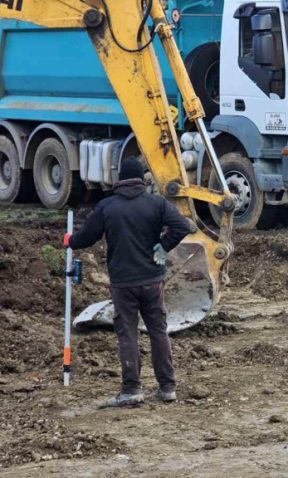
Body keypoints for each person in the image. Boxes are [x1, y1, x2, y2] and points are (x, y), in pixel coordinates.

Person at [64, 158, 191, 407]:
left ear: (119, 180)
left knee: (127, 333)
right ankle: (167, 387)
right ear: (141, 179)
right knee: (158, 331)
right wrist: (163, 246)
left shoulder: (107, 206)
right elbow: (182, 226)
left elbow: (87, 236)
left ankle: (131, 389)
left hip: (123, 283)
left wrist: (71, 240)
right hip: (153, 280)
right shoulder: (156, 203)